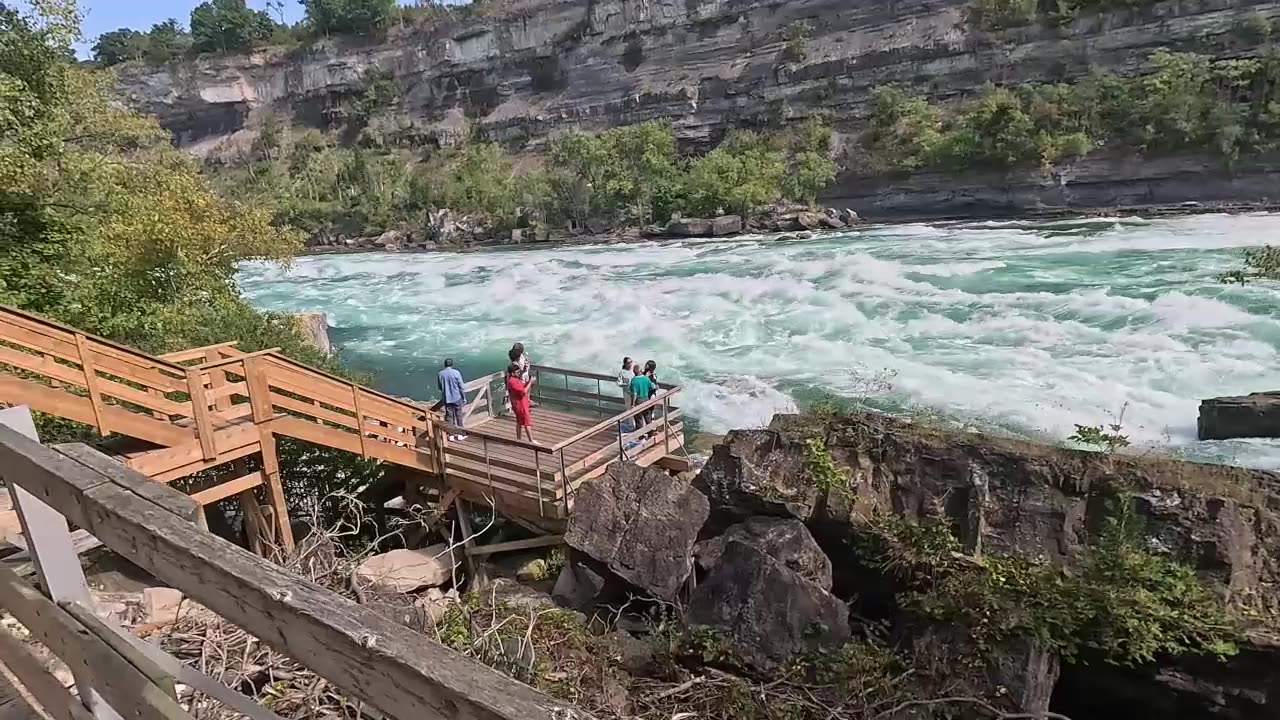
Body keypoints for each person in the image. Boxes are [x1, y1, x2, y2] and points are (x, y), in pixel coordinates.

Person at [505, 361, 538, 444]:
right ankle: (531, 441)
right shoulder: (513, 382)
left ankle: (518, 439)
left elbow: (522, 387)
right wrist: (530, 383)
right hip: (521, 405)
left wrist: (528, 382)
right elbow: (523, 392)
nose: (519, 373)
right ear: (512, 373)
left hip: (517, 404)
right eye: (517, 372)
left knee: (519, 422)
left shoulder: (513, 380)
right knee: (527, 422)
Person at [437, 358, 467, 441]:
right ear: (452, 364)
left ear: (444, 364)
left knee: (449, 417)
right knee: (459, 415)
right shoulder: (456, 373)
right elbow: (461, 386)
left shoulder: (440, 374)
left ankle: (451, 435)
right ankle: (460, 434)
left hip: (447, 398)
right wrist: (464, 397)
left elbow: (439, 387)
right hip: (457, 397)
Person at [629, 364, 655, 431]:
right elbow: (652, 387)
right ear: (641, 370)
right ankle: (650, 433)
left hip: (638, 400)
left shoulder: (633, 380)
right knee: (648, 417)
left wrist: (632, 404)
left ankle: (641, 436)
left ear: (634, 372)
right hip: (646, 399)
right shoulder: (646, 378)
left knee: (639, 419)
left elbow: (634, 393)